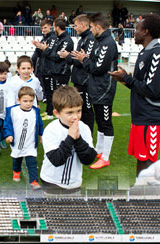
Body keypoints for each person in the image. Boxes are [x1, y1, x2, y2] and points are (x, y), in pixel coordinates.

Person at [109, 14, 160, 180]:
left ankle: (148, 199)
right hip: (140, 117)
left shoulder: (156, 54)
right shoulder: (146, 52)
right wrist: (125, 79)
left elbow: (152, 90)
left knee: (148, 163)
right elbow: (139, 85)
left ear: (146, 31)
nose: (134, 32)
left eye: (137, 29)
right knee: (141, 159)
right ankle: (141, 192)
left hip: (150, 117)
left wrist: (127, 79)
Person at [71, 13, 118, 169]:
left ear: (98, 27)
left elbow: (97, 68)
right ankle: (99, 150)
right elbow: (93, 62)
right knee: (100, 121)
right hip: (97, 88)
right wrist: (86, 59)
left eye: (91, 27)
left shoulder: (107, 43)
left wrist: (83, 59)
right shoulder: (100, 41)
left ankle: (106, 157)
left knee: (105, 123)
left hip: (104, 90)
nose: (90, 29)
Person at [40, 86, 96, 192]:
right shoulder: (51, 130)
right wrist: (70, 138)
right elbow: (56, 160)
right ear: (57, 113)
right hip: (51, 183)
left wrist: (78, 138)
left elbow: (88, 159)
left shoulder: (84, 128)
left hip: (74, 184)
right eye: (69, 113)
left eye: (78, 111)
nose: (75, 117)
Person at [59, 14, 96, 133]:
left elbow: (84, 60)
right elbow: (79, 58)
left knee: (86, 110)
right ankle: (80, 133)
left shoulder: (90, 39)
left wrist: (67, 56)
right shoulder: (83, 38)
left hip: (85, 81)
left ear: (83, 25)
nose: (74, 28)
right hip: (78, 79)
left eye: (75, 25)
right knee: (79, 108)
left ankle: (87, 135)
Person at [3, 86, 43, 189]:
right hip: (17, 143)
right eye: (25, 101)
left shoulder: (35, 111)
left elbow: (40, 124)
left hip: (30, 144)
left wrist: (41, 135)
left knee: (32, 163)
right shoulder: (12, 111)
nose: (28, 103)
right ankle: (16, 171)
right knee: (17, 159)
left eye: (31, 101)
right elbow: (7, 125)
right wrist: (8, 135)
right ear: (18, 100)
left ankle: (34, 181)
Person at [36, 19, 73, 117]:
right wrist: (41, 48)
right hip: (55, 71)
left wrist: (45, 49)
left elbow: (57, 57)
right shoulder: (59, 39)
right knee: (51, 93)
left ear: (56, 27)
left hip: (62, 72)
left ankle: (61, 114)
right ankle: (51, 113)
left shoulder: (66, 40)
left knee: (61, 96)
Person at [32, 19, 57, 119]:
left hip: (50, 69)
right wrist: (38, 47)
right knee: (46, 91)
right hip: (43, 69)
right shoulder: (43, 39)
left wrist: (42, 48)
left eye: (45, 27)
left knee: (51, 92)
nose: (44, 30)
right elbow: (38, 54)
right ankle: (48, 111)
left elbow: (50, 53)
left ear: (50, 27)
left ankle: (51, 113)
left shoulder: (53, 38)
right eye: (42, 28)